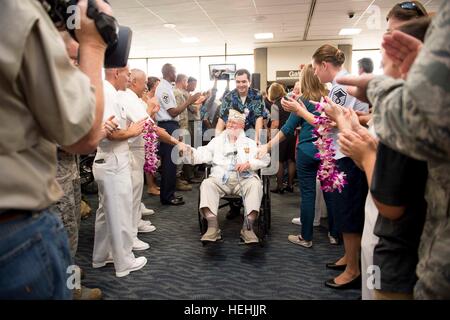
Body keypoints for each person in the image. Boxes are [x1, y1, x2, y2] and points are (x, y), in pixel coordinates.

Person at [336, 1, 449, 299]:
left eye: (387, 67)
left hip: (397, 244)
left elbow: (391, 204)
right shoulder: (409, 112)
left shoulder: (408, 120)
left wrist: (366, 155)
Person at [0, 0, 111, 299]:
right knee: (66, 223)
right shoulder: (18, 10)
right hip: (13, 229)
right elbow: (83, 136)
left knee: (71, 222)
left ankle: (68, 272)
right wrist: (93, 45)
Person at [311, 44, 369, 289]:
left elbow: (331, 120)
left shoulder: (340, 88)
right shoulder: (339, 86)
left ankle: (354, 269)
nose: (314, 73)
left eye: (315, 68)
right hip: (343, 152)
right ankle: (349, 257)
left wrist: (308, 113)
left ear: (325, 65)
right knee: (345, 209)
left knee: (349, 210)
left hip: (348, 153)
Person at [258, 65, 329, 248]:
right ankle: (334, 234)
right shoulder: (328, 96)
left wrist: (267, 146)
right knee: (330, 193)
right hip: (327, 150)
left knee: (307, 194)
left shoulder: (303, 101)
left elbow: (287, 129)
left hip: (306, 150)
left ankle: (306, 237)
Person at [92, 66, 148, 277]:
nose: (129, 78)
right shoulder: (108, 93)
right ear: (116, 73)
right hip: (114, 160)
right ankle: (124, 262)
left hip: (111, 160)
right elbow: (110, 133)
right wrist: (132, 131)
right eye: (127, 74)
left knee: (106, 213)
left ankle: (101, 256)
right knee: (120, 213)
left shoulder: (111, 92)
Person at [185, 110, 270, 244]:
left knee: (255, 185)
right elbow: (203, 153)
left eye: (235, 123)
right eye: (229, 122)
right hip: (220, 179)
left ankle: (248, 228)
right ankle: (213, 227)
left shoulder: (250, 142)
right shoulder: (216, 141)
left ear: (242, 126)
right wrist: (189, 151)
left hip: (244, 179)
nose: (230, 125)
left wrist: (249, 164)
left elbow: (265, 159)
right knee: (206, 184)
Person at [155, 64, 200, 205]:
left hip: (172, 124)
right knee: (169, 163)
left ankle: (169, 193)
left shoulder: (168, 87)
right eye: (174, 71)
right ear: (169, 72)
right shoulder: (163, 89)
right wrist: (189, 101)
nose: (176, 74)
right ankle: (167, 197)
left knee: (172, 162)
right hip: (167, 125)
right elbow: (173, 112)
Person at [216, 69, 265, 144]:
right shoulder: (228, 97)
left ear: (249, 82)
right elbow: (221, 120)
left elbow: (259, 118)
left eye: (244, 81)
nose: (241, 85)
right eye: (238, 82)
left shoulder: (257, 96)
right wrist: (217, 140)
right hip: (234, 138)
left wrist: (256, 139)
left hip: (252, 135)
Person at [266, 83, 296, 194]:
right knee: (291, 160)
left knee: (279, 161)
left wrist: (270, 137)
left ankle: (280, 186)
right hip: (292, 134)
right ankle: (290, 185)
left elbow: (275, 123)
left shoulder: (275, 106)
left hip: (280, 135)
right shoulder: (290, 101)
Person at [145, 76, 161, 196]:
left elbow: (153, 116)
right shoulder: (146, 97)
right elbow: (145, 115)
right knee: (149, 159)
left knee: (152, 159)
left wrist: (155, 111)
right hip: (146, 131)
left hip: (153, 129)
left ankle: (153, 184)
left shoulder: (155, 97)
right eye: (158, 84)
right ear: (153, 85)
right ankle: (150, 186)